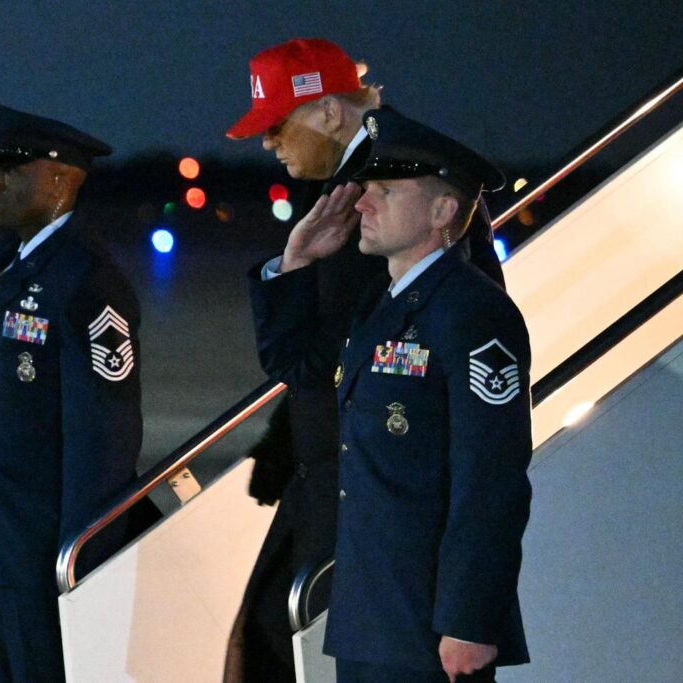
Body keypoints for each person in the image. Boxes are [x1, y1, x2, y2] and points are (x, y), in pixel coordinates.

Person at [251, 106, 532, 682]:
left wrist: (470, 621)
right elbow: (298, 368)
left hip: (431, 624)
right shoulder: (381, 306)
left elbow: (491, 481)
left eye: (385, 190)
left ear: (442, 211)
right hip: (368, 615)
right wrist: (296, 262)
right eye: (366, 188)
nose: (362, 204)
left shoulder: (473, 313)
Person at [0, 104, 143, 682]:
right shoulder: (17, 256)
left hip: (41, 542)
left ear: (61, 180)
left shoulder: (86, 279)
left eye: (11, 169)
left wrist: (84, 556)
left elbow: (105, 434)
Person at [222, 38, 388, 683]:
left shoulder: (395, 185)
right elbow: (312, 355)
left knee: (278, 643)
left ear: (328, 111)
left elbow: (332, 354)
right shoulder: (347, 188)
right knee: (269, 636)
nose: (268, 142)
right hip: (324, 468)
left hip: (361, 479)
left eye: (276, 124)